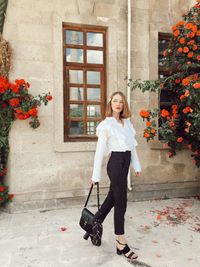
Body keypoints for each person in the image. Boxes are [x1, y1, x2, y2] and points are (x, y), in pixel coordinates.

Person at [90, 91, 141, 261]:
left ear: (123, 104)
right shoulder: (106, 125)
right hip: (115, 164)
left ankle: (94, 222)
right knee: (121, 202)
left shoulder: (127, 123)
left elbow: (132, 147)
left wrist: (137, 166)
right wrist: (95, 175)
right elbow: (99, 153)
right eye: (115, 101)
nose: (118, 104)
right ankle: (121, 241)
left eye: (121, 101)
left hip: (125, 163)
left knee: (113, 198)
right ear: (110, 103)